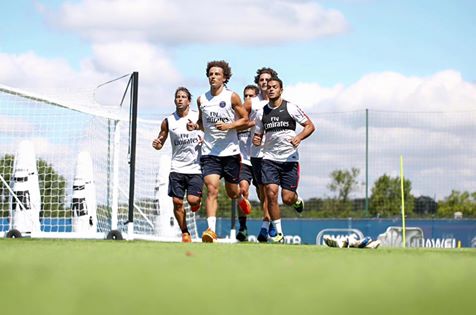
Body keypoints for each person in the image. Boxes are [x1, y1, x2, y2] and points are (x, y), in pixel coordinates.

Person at [187, 60, 249, 243]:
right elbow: (202, 124)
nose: (213, 77)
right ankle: (211, 230)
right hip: (209, 152)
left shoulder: (232, 97)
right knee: (212, 189)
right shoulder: (202, 99)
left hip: (230, 152)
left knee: (231, 193)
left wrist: (230, 125)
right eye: (210, 74)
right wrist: (194, 126)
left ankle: (241, 196)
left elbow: (245, 120)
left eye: (217, 74)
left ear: (225, 78)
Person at [253, 77, 315, 243]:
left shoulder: (291, 108)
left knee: (287, 198)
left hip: (289, 160)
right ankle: (279, 233)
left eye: (275, 87)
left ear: (281, 90)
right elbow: (258, 134)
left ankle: (297, 200)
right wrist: (257, 140)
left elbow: (310, 125)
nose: (271, 89)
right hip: (269, 159)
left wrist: (299, 137)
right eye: (269, 87)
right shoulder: (261, 112)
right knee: (271, 194)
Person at [152, 87, 203, 243]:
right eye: (177, 97)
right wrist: (158, 143)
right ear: (175, 100)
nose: (180, 99)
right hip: (177, 168)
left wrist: (204, 138)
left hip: (196, 167)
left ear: (189, 100)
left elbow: (210, 131)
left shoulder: (197, 117)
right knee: (177, 202)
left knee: (193, 200)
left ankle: (197, 202)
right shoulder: (169, 121)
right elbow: (161, 139)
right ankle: (185, 232)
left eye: (183, 97)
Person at [235, 84, 260, 242]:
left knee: (264, 196)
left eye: (251, 96)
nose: (248, 99)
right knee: (242, 191)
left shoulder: (261, 115)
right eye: (246, 96)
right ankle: (243, 227)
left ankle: (268, 224)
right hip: (243, 161)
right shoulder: (237, 117)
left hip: (260, 160)